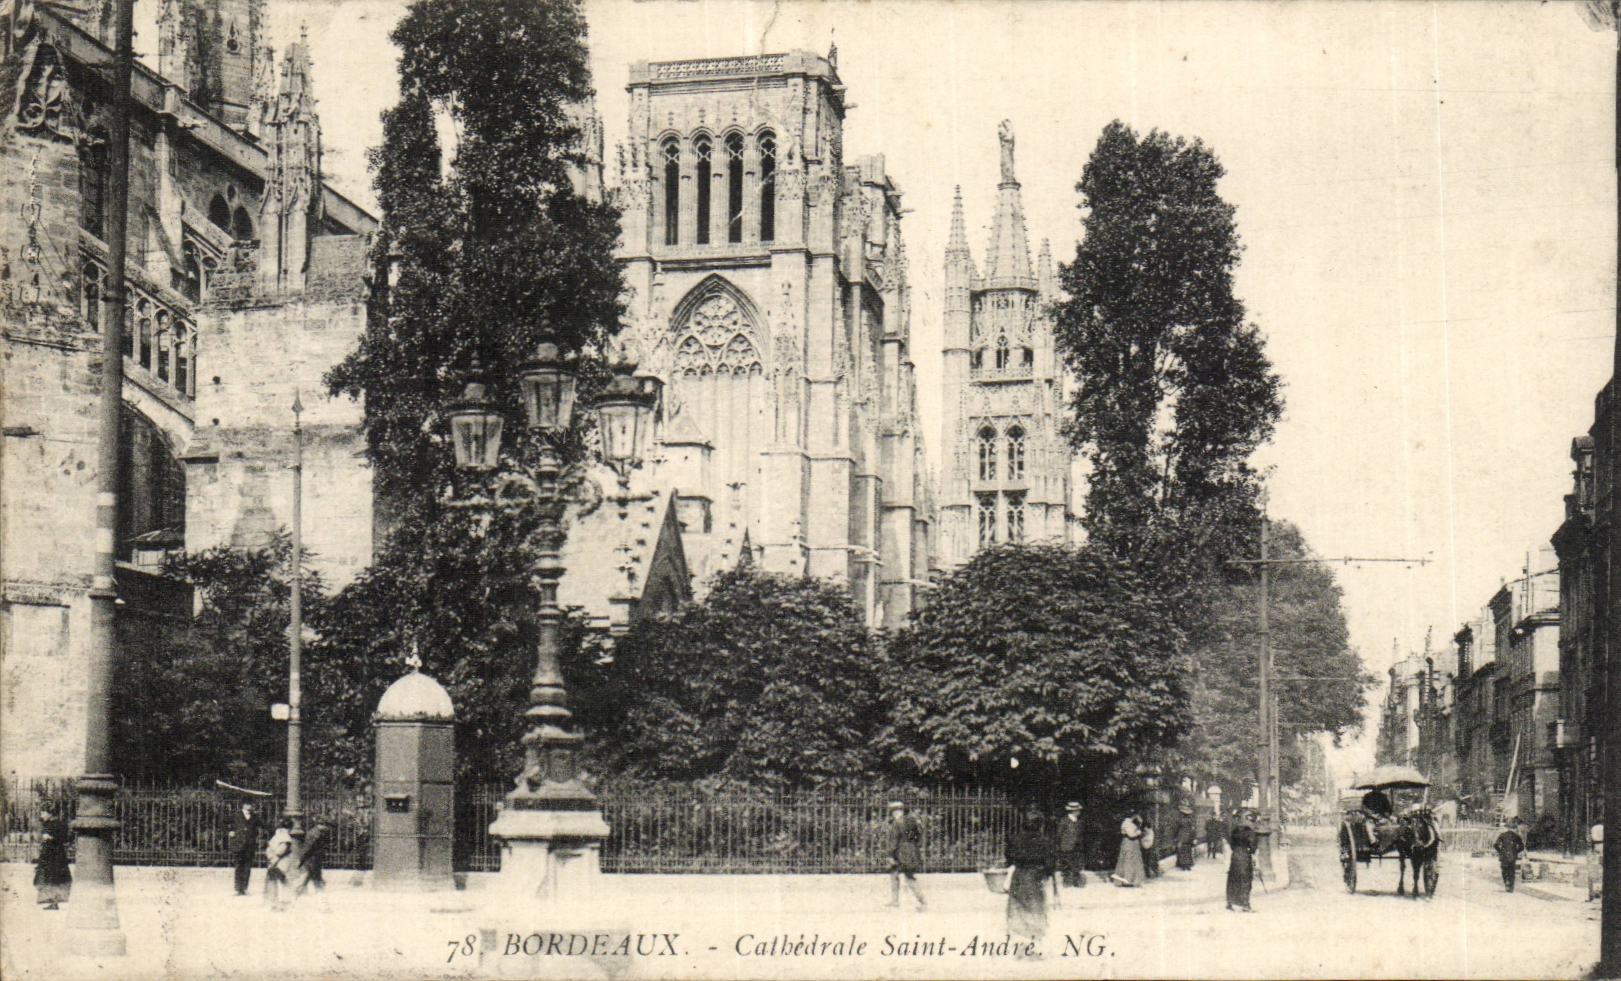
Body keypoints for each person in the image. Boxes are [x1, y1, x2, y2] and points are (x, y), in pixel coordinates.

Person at [1005, 805, 1054, 955]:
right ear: (1039, 825)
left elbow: (1009, 857)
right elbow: (1050, 862)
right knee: (1036, 906)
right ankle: (1035, 938)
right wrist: (1047, 873)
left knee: (1017, 905)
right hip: (1035, 876)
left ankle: (1018, 937)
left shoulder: (1014, 838)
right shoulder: (1045, 841)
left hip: (1019, 876)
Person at [883, 801, 926, 910]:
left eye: (893, 811)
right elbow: (920, 837)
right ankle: (896, 901)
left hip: (900, 852)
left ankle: (922, 902)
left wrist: (890, 855)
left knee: (906, 877)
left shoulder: (897, 823)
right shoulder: (913, 821)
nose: (892, 814)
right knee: (897, 874)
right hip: (912, 851)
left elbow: (894, 840)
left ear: (898, 811)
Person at [33, 805, 72, 910]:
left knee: (54, 876)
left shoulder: (58, 824)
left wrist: (51, 838)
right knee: (50, 876)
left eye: (43, 813)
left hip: (55, 854)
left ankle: (54, 901)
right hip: (49, 853)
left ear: (50, 813)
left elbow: (64, 838)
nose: (42, 815)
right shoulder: (47, 824)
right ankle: (52, 900)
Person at [263, 818, 300, 909]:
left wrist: (271, 857)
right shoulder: (285, 836)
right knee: (282, 880)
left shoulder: (277, 835)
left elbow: (270, 847)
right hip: (281, 861)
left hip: (274, 860)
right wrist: (276, 858)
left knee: (273, 879)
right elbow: (281, 850)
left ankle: (273, 900)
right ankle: (287, 899)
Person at [1226, 811, 1258, 912]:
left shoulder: (1235, 830)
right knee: (1246, 880)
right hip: (1244, 856)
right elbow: (1253, 846)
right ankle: (1245, 904)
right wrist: (1252, 853)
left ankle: (1230, 902)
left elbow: (1231, 844)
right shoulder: (1250, 831)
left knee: (1233, 879)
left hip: (1235, 856)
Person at [229, 802, 261, 896]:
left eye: (251, 804)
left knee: (247, 866)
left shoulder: (255, 816)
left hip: (250, 845)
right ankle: (238, 888)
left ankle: (244, 888)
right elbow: (226, 823)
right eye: (248, 804)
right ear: (243, 805)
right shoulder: (236, 815)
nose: (250, 806)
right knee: (239, 866)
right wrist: (230, 831)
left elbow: (261, 825)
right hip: (239, 844)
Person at [1056, 801, 1086, 895]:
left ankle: (1076, 881)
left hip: (1077, 846)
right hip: (1066, 847)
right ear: (1073, 811)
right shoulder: (1064, 821)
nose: (1079, 812)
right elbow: (1059, 834)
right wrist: (1061, 845)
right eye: (1078, 810)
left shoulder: (1079, 821)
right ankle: (1067, 882)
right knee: (1067, 864)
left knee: (1076, 864)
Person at [1110, 811, 1145, 887]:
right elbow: (1131, 834)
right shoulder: (1127, 823)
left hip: (1133, 844)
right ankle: (1127, 880)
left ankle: (1132, 880)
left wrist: (1139, 824)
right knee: (1127, 861)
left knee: (1133, 861)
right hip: (1129, 842)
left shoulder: (1132, 824)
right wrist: (1138, 832)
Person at [296, 821, 329, 898]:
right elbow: (307, 848)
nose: (327, 828)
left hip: (313, 859)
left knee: (311, 876)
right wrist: (301, 858)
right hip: (311, 859)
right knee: (313, 877)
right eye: (327, 826)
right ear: (321, 825)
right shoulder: (315, 834)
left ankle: (301, 892)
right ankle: (319, 894)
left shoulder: (317, 833)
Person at [1494, 819, 1527, 893]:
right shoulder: (1516, 836)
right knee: (1511, 872)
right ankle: (1511, 887)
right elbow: (1522, 847)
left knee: (1504, 870)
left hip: (1504, 856)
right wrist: (1516, 851)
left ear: (1507, 828)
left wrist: (1500, 851)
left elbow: (1495, 845)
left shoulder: (1502, 835)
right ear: (1514, 828)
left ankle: (1506, 882)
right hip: (1513, 856)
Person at [1174, 803, 1197, 870]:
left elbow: (1176, 829)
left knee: (1182, 851)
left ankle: (1183, 865)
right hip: (1189, 838)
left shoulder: (1180, 820)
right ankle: (1188, 865)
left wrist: (1175, 837)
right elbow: (1193, 830)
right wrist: (1193, 837)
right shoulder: (1190, 821)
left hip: (1181, 838)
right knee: (1188, 851)